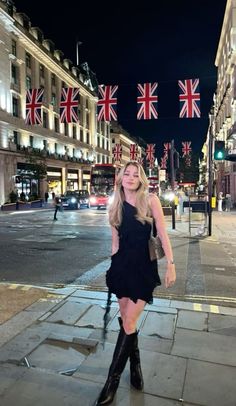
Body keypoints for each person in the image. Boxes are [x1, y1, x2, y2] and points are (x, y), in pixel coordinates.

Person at [95, 161, 176, 406]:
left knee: (129, 320)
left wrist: (171, 264)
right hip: (122, 268)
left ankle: (112, 381)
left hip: (143, 269)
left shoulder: (149, 201)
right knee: (127, 322)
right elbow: (115, 243)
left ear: (141, 178)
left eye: (134, 174)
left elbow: (162, 232)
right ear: (121, 178)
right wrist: (113, 267)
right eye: (126, 174)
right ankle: (136, 365)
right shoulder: (116, 204)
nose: (130, 177)